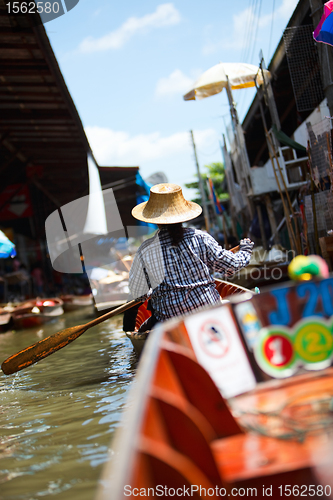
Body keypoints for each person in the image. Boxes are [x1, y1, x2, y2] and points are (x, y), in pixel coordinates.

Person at [124, 183, 254, 331]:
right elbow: (231, 266)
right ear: (182, 216)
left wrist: (149, 292)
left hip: (170, 323)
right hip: (209, 311)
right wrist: (245, 249)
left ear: (156, 221)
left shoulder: (145, 250)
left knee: (143, 330)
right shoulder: (200, 237)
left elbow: (136, 292)